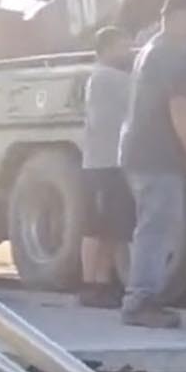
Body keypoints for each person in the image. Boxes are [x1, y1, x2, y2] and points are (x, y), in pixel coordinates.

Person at [118, 0, 186, 329]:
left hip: (142, 153)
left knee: (153, 227)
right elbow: (179, 107)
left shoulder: (151, 49)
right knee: (157, 228)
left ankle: (143, 296)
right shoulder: (173, 51)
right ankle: (141, 300)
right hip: (159, 156)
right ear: (181, 16)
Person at [77, 26, 135, 309]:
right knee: (96, 228)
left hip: (114, 162)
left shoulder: (110, 77)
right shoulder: (106, 77)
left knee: (112, 228)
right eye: (124, 46)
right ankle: (90, 284)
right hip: (102, 163)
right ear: (108, 48)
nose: (129, 52)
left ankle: (102, 283)